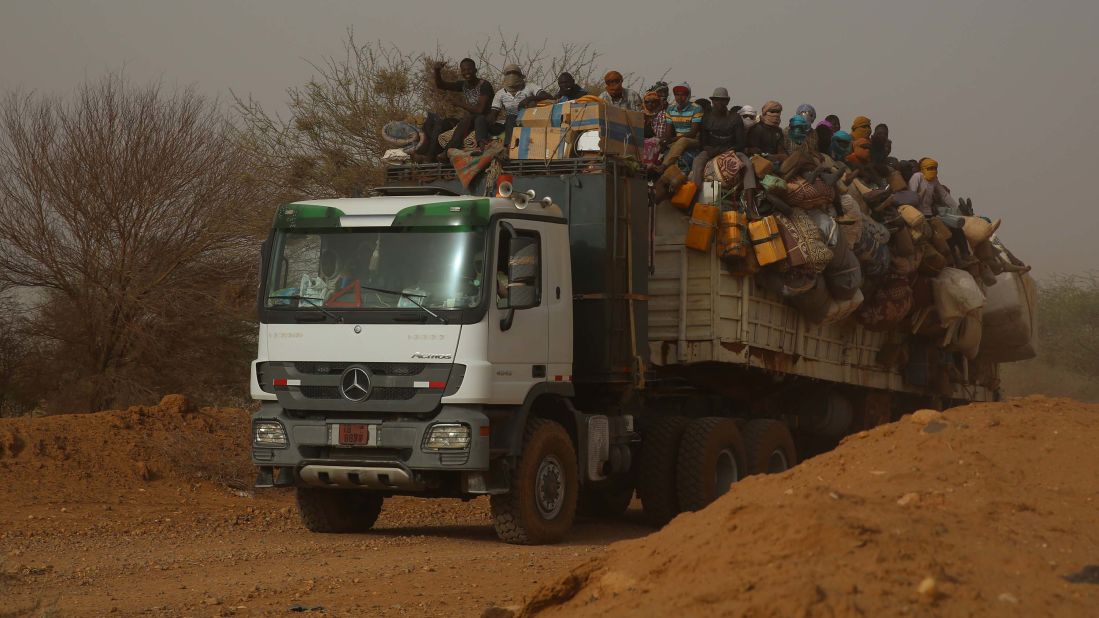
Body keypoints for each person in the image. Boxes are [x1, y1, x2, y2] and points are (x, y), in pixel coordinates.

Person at [432, 58, 494, 161]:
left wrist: (459, 104)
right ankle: (442, 152)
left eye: (469, 69)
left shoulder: (484, 85)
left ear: (475, 70)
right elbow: (441, 85)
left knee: (470, 118)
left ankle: (449, 150)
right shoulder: (464, 85)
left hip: (485, 119)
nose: (466, 73)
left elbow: (480, 110)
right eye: (463, 70)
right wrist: (437, 71)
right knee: (447, 121)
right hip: (472, 119)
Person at [689, 87, 746, 186]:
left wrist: (727, 151)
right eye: (717, 100)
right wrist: (708, 149)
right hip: (711, 151)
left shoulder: (735, 118)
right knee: (697, 162)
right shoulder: (706, 117)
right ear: (713, 101)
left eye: (723, 100)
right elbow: (703, 141)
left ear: (727, 102)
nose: (720, 103)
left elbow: (741, 143)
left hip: (731, 151)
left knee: (748, 164)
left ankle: (749, 195)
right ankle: (694, 193)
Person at [489, 63, 547, 145]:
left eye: (514, 73)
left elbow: (547, 96)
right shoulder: (500, 93)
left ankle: (508, 146)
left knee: (511, 117)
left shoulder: (530, 87)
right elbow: (494, 113)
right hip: (509, 123)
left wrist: (529, 98)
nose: (511, 75)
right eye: (509, 74)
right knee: (507, 119)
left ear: (520, 77)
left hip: (527, 120)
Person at [659, 83, 703, 173]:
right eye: (677, 95)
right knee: (655, 142)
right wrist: (665, 140)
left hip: (693, 140)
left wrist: (673, 139)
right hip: (677, 141)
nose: (679, 97)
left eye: (683, 95)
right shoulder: (670, 109)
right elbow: (668, 132)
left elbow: (693, 133)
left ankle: (663, 166)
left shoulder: (696, 108)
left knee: (683, 141)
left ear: (688, 96)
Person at [524, 72, 588, 106]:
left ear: (573, 81)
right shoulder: (558, 97)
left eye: (566, 82)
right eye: (561, 83)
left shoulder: (583, 95)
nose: (564, 85)